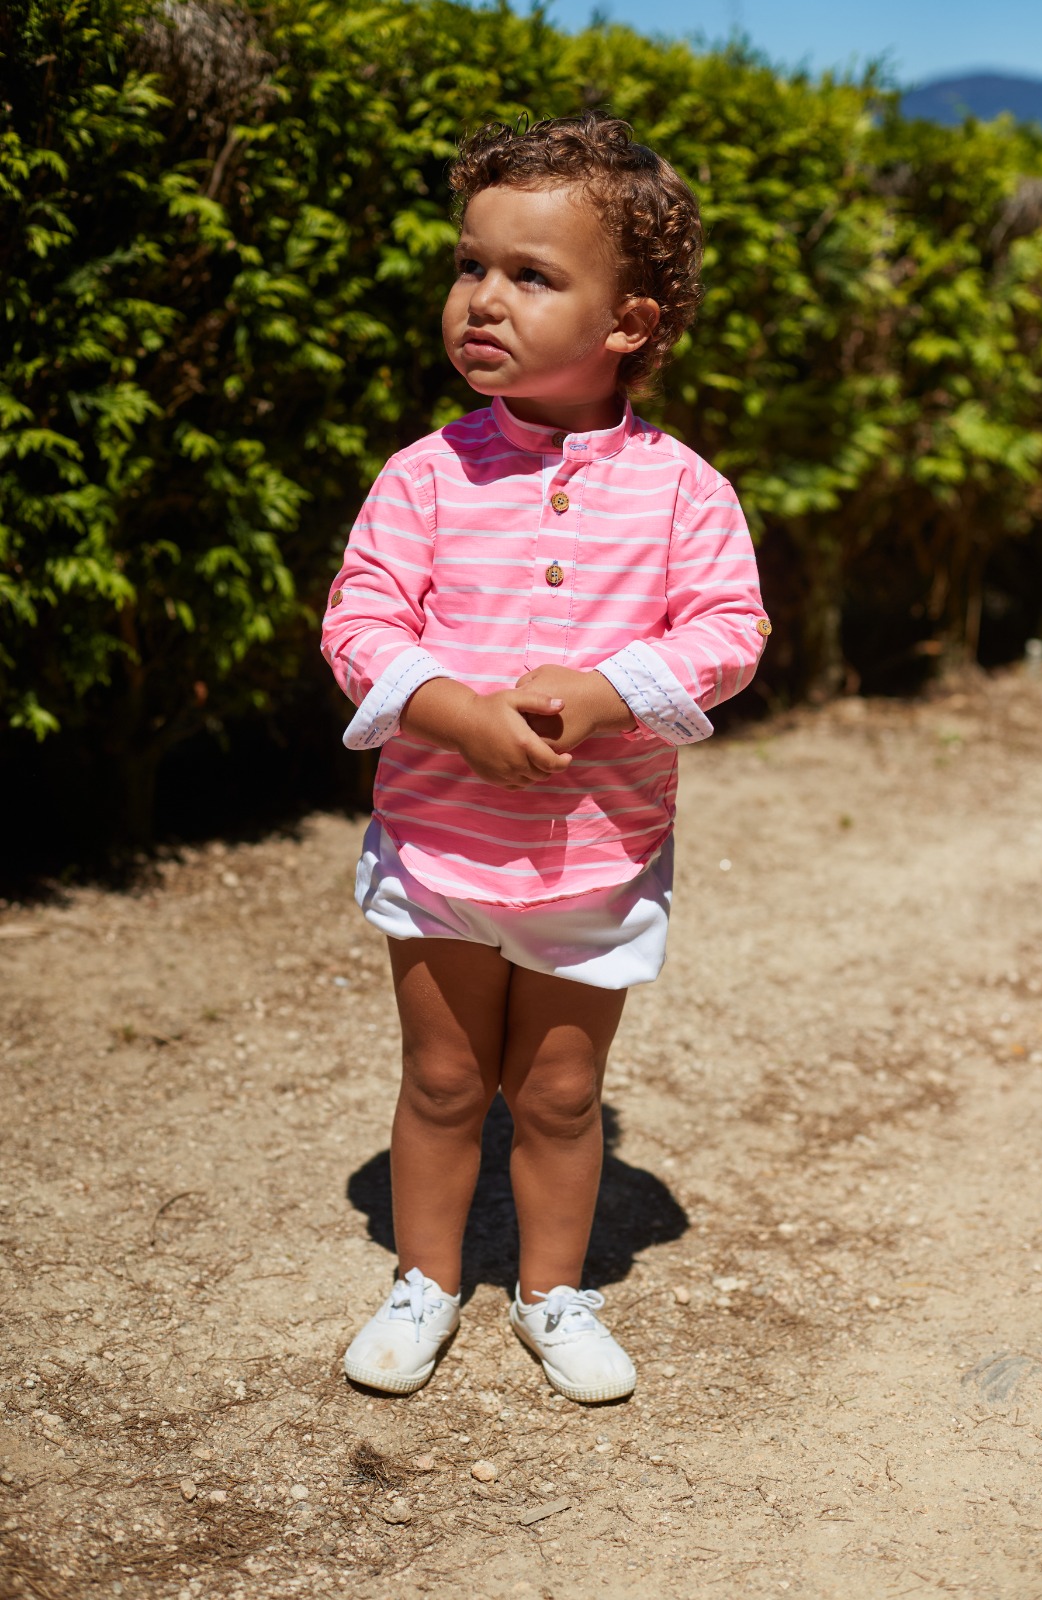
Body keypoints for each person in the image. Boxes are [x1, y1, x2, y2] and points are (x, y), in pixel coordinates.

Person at [321, 111, 770, 1404]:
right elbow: (358, 624)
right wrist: (448, 709)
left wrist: (613, 690)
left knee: (563, 1095)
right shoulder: (423, 476)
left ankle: (554, 1292)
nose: (483, 299)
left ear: (626, 322)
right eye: (470, 265)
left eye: (530, 276)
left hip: (595, 853)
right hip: (441, 843)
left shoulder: (683, 492)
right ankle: (423, 1279)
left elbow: (729, 633)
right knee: (445, 1077)